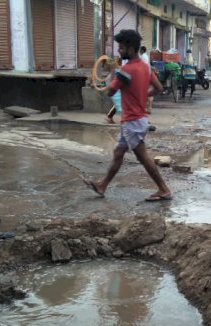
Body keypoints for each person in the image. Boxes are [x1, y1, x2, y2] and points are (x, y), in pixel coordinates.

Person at [86, 30, 171, 202]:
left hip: (132, 121)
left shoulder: (125, 70)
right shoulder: (145, 68)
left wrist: (112, 71)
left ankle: (164, 189)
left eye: (121, 47)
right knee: (118, 153)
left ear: (130, 49)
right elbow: (159, 88)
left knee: (143, 157)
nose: (118, 51)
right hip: (135, 120)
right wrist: (142, 95)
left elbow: (110, 92)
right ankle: (102, 185)